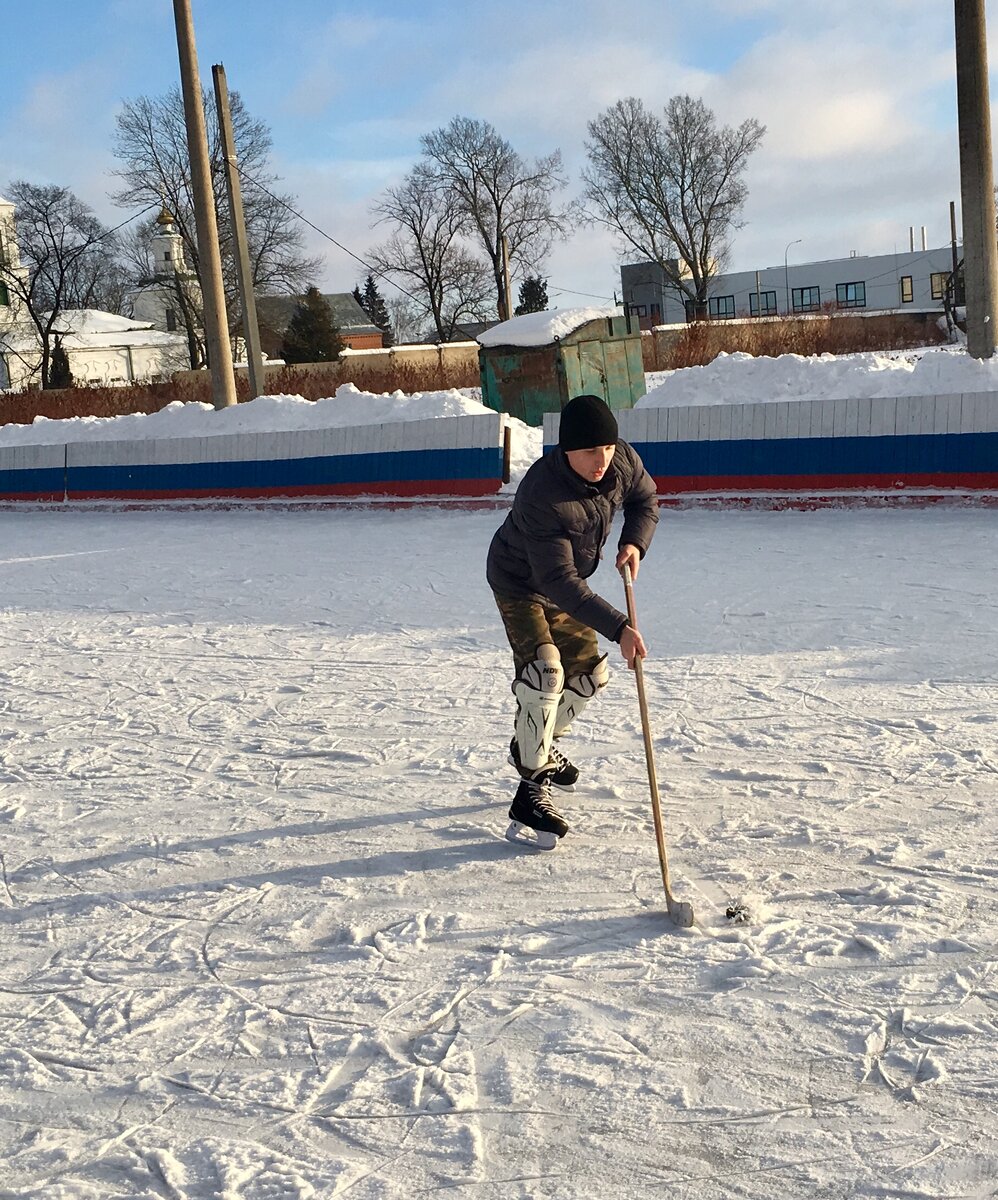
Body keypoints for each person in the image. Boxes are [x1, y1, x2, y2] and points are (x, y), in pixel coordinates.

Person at [486, 393, 659, 849]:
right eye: (589, 452)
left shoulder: (619, 460)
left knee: (589, 675)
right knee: (546, 673)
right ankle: (530, 788)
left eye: (606, 448)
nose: (601, 460)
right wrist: (620, 627)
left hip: (564, 581)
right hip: (522, 582)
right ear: (566, 451)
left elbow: (646, 498)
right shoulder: (543, 494)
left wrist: (634, 543)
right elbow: (558, 581)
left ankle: (532, 745)